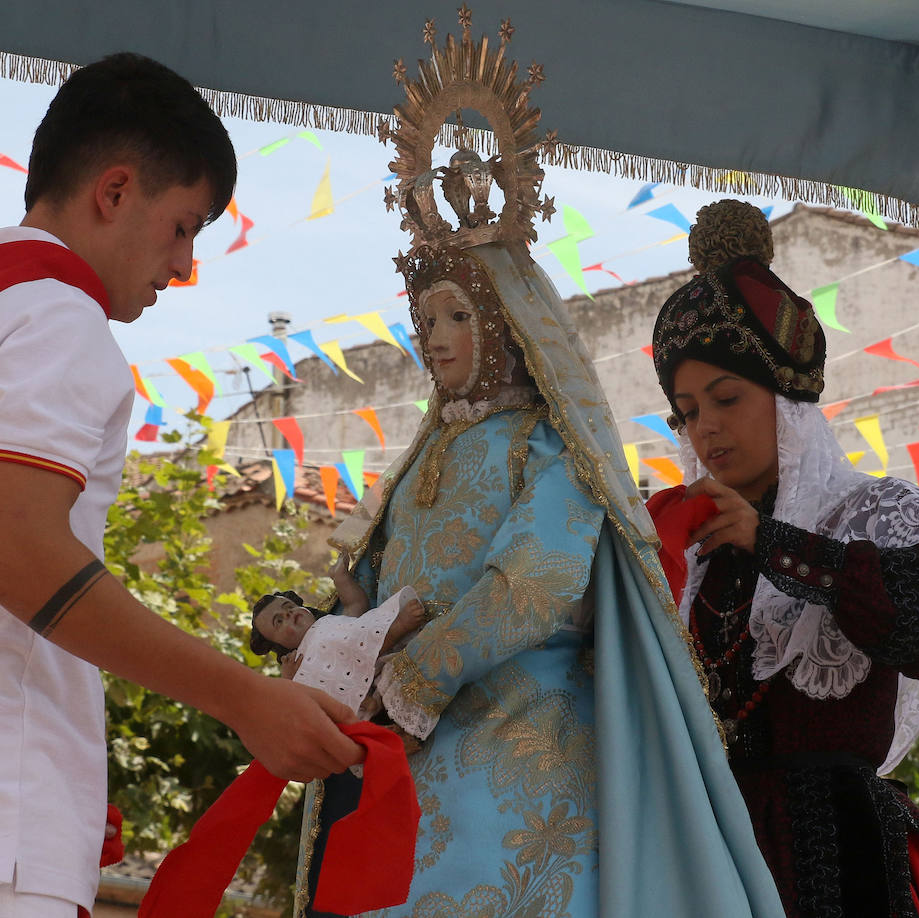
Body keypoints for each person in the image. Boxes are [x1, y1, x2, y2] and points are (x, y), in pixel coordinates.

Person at [0, 52, 361, 918]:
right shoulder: (55, 319)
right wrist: (248, 698)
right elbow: (24, 560)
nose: (182, 267)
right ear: (113, 191)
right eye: (182, 226)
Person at [294, 19, 785, 918]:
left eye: (452, 316)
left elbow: (535, 584)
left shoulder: (549, 446)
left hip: (517, 743)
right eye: (424, 316)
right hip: (403, 746)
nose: (432, 338)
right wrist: (325, 635)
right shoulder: (423, 455)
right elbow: (372, 584)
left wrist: (413, 673)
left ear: (506, 328)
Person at [647, 199, 919, 918]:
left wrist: (775, 544)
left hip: (839, 853)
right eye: (686, 410)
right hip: (706, 857)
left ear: (786, 397)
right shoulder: (689, 549)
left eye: (726, 397)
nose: (706, 427)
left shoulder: (869, 514)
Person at [249, 555, 426, 716]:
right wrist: (288, 677)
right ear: (279, 644)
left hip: (376, 671)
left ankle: (399, 627)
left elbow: (355, 605)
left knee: (359, 636)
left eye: (289, 607)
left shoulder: (327, 625)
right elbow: (297, 700)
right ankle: (365, 703)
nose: (288, 614)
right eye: (279, 621)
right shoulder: (298, 663)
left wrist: (340, 577)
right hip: (351, 709)